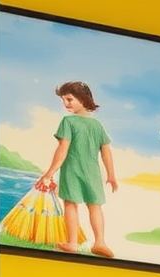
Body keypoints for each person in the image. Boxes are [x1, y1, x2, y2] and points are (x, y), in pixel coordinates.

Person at [36, 81, 118, 258]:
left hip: (72, 170)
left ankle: (72, 243)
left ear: (82, 98)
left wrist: (49, 173)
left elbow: (63, 149)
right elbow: (106, 151)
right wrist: (111, 175)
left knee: (70, 205)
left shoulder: (68, 121)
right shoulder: (97, 125)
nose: (66, 104)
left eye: (69, 99)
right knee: (95, 206)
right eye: (63, 101)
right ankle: (100, 242)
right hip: (92, 173)